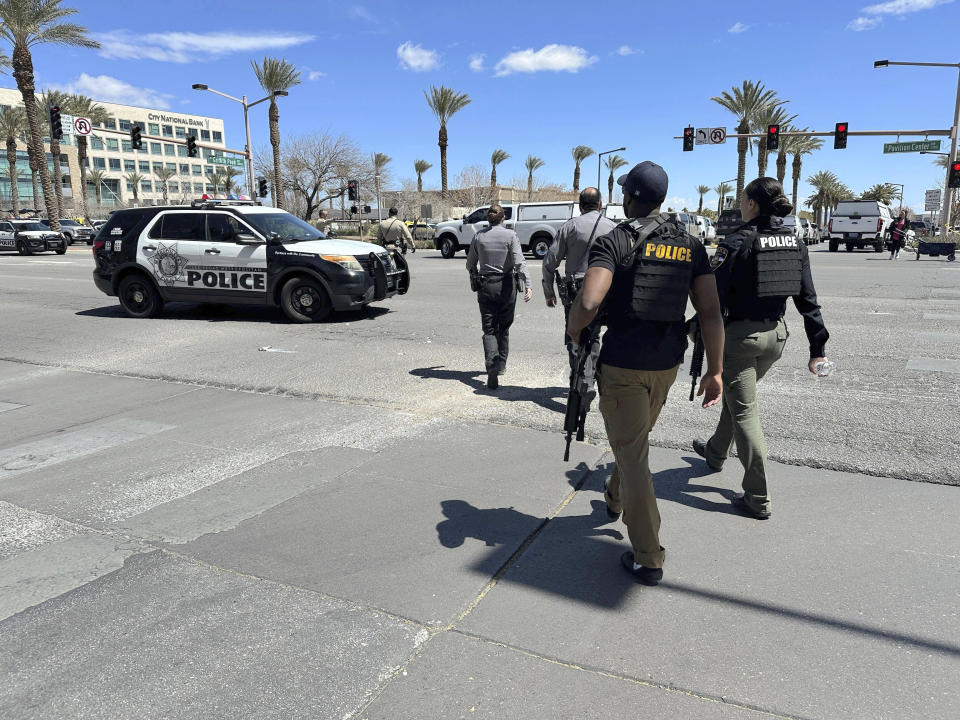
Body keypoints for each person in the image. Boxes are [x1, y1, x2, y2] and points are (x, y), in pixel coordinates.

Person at [567, 161, 725, 586]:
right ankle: (615, 498)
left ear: (631, 196)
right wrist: (716, 371)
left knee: (635, 455)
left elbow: (588, 302)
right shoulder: (690, 245)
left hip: (623, 366)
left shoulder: (615, 240)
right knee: (633, 441)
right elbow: (710, 312)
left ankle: (648, 557)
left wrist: (574, 329)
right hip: (667, 365)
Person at [692, 177, 830, 520]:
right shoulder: (793, 242)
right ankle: (714, 453)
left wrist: (693, 329)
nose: (740, 204)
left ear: (752, 204)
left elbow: (712, 299)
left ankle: (757, 497)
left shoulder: (737, 242)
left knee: (744, 413)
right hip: (775, 338)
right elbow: (808, 299)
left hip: (740, 341)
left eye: (742, 199)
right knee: (741, 397)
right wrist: (818, 349)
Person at [543, 187, 617, 370]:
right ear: (600, 205)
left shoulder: (570, 226)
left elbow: (549, 262)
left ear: (580, 206)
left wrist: (549, 292)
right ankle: (590, 375)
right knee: (595, 334)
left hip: (575, 288)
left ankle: (579, 378)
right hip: (605, 289)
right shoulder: (613, 228)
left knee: (574, 332)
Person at [466, 204, 532, 389]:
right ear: (503, 219)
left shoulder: (479, 236)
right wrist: (528, 285)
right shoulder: (510, 236)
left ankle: (491, 367)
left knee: (489, 329)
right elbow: (520, 262)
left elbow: (470, 264)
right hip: (506, 286)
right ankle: (501, 365)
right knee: (504, 328)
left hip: (486, 286)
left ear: (489, 219)